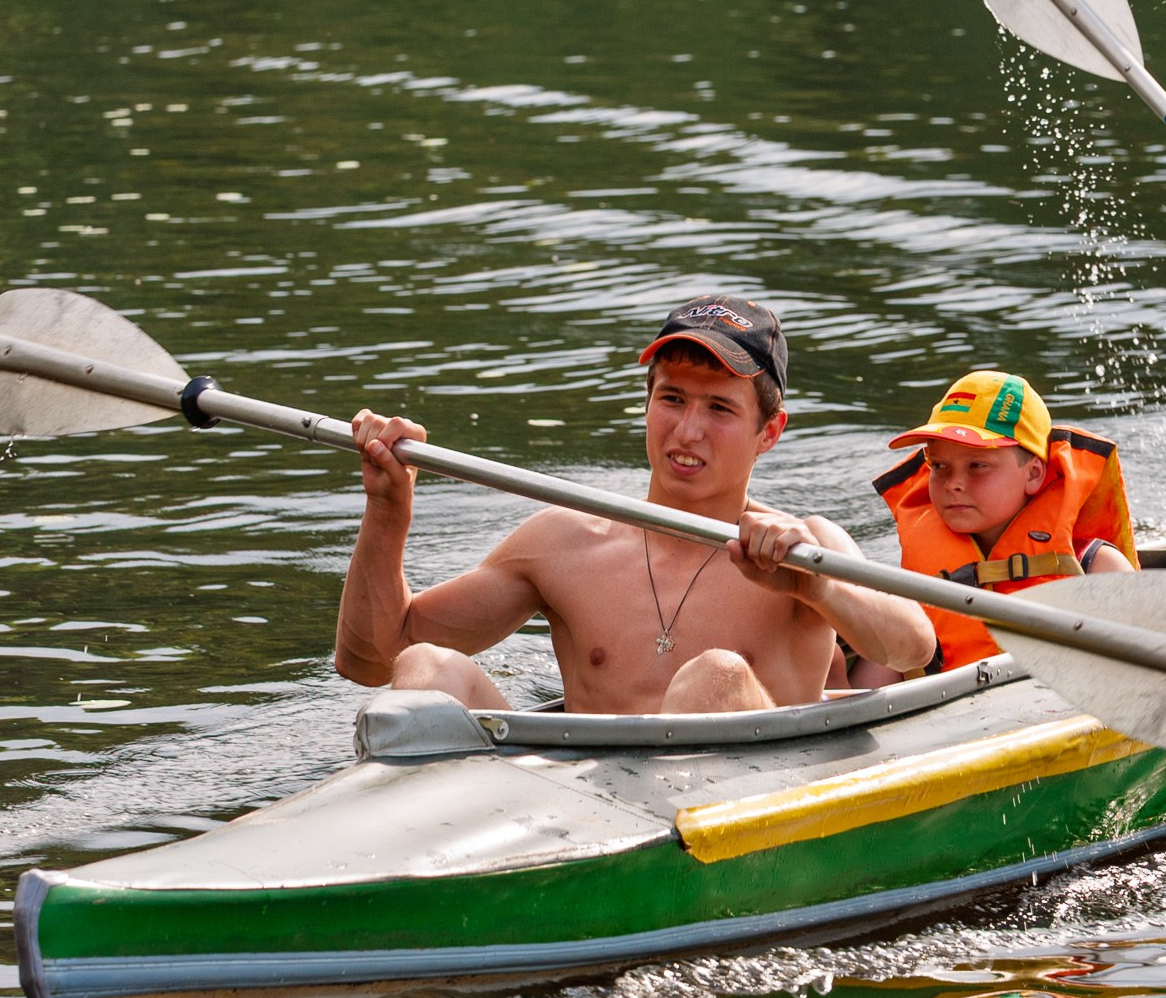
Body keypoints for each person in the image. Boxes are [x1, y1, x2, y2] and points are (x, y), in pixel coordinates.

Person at [334, 297, 936, 713]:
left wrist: (818, 589)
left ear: (769, 431)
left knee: (716, 677)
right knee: (428, 669)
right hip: (577, 819)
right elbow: (370, 659)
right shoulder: (561, 542)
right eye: (672, 399)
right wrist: (388, 510)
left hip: (734, 826)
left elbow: (913, 647)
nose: (687, 431)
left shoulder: (806, 544)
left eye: (719, 409)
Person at [865, 370, 1136, 679]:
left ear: (1034, 474)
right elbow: (865, 695)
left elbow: (1149, 682)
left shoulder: (1097, 569)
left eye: (978, 465)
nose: (953, 483)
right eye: (939, 466)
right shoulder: (911, 589)